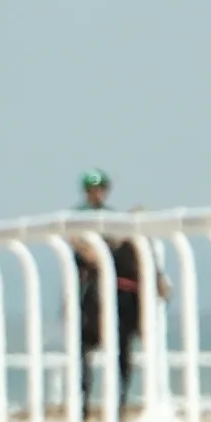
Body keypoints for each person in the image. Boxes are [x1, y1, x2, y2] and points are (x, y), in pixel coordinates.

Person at [69, 169, 152, 409]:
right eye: (94, 189)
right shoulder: (76, 215)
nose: (98, 193)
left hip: (113, 272)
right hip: (88, 271)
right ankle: (82, 399)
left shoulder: (112, 215)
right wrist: (91, 254)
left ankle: (121, 398)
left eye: (101, 188)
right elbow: (74, 240)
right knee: (82, 341)